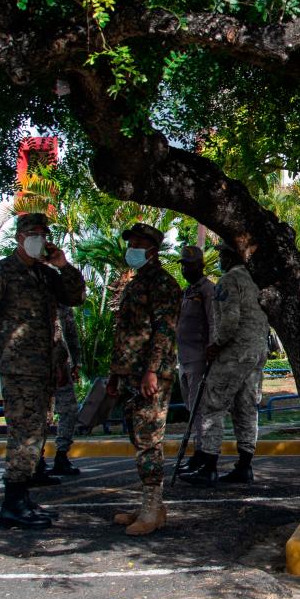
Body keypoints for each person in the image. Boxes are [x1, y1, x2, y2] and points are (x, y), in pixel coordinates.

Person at [0, 213, 87, 529]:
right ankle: (12, 503)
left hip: (44, 370)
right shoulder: (1, 272)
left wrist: (63, 265)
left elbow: (76, 296)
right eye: (33, 234)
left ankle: (22, 498)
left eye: (44, 234)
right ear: (18, 238)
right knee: (24, 435)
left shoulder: (45, 275)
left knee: (36, 434)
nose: (39, 239)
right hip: (19, 370)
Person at [108, 221, 183, 535]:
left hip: (150, 374)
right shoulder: (137, 282)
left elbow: (164, 332)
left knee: (149, 439)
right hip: (130, 373)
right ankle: (150, 506)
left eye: (137, 243)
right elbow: (125, 333)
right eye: (131, 242)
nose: (132, 248)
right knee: (138, 437)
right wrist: (115, 374)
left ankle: (153, 508)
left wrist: (151, 370)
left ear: (152, 249)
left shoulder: (163, 284)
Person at [182, 240, 265, 486]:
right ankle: (244, 464)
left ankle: (208, 465)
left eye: (222, 256)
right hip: (256, 352)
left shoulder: (229, 280)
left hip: (235, 353)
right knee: (246, 408)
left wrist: (216, 345)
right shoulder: (255, 281)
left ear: (229, 258)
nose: (219, 261)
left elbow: (229, 321)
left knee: (212, 405)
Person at [175, 243, 218, 454]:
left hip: (199, 358)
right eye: (183, 266)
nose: (185, 270)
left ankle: (202, 453)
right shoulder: (186, 292)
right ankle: (197, 450)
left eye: (190, 265)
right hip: (183, 358)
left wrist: (211, 350)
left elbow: (213, 321)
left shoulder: (207, 290)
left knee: (199, 410)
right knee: (191, 408)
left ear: (200, 265)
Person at [44, 300, 85, 477]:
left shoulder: (62, 304)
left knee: (69, 409)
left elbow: (70, 332)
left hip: (62, 365)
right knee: (42, 414)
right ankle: (36, 459)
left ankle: (61, 454)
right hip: (39, 366)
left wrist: (76, 362)